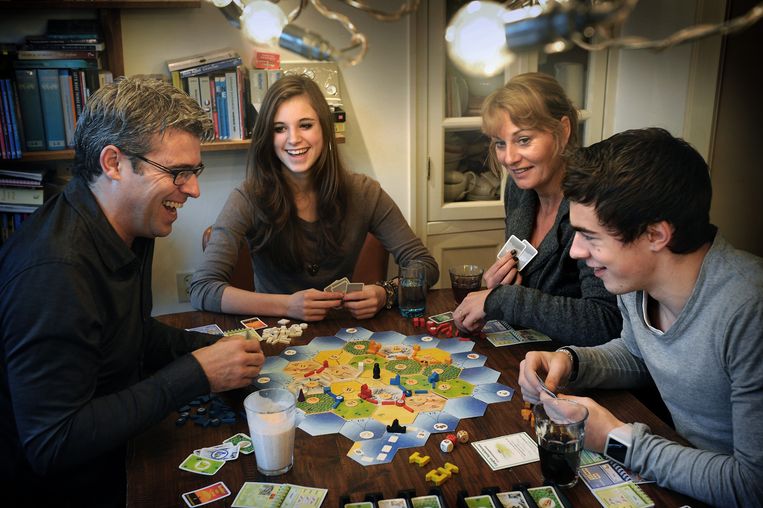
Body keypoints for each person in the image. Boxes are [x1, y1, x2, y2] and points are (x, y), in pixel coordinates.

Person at [0, 77, 266, 506]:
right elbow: (52, 442)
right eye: (177, 173)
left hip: (122, 451)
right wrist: (195, 374)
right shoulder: (54, 273)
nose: (193, 189)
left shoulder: (133, 226)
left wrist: (210, 350)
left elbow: (128, 334)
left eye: (194, 172)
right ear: (113, 163)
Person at [519, 128, 763, 505]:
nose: (576, 251)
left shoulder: (749, 310)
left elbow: (752, 485)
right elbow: (639, 354)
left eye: (590, 236)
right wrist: (571, 361)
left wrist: (616, 440)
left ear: (655, 235)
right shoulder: (634, 283)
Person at [190, 75, 438, 321]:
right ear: (268, 138)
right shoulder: (247, 197)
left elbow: (424, 264)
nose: (293, 138)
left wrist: (386, 293)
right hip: (274, 332)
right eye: (280, 129)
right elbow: (202, 288)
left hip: (344, 333)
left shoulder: (365, 192)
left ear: (325, 129)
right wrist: (287, 306)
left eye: (305, 125)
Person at [453, 73, 620, 345]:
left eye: (523, 140)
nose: (509, 158)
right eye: (500, 143)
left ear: (562, 131)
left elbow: (605, 320)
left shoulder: (593, 197)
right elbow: (529, 293)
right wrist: (501, 287)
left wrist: (505, 299)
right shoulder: (518, 188)